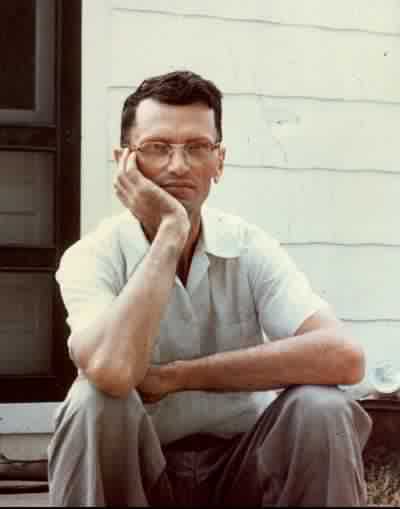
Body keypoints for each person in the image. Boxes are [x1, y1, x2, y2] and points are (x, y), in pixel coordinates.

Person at [48, 70, 372, 506]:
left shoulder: (249, 247)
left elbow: (343, 356)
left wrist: (178, 377)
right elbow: (112, 371)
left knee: (321, 407)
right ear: (125, 160)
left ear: (219, 160)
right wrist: (169, 234)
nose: (178, 166)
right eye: (157, 148)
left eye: (197, 148)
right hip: (139, 475)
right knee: (94, 401)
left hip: (242, 471)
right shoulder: (92, 255)